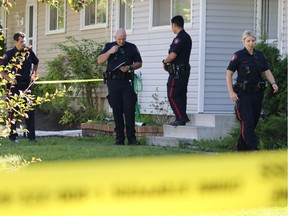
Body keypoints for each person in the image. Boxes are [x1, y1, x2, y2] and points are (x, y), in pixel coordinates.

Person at [226, 30, 279, 151]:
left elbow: (266, 70)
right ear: (243, 41)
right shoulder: (238, 56)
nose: (251, 43)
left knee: (253, 121)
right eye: (248, 40)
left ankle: (241, 148)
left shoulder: (259, 55)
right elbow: (228, 74)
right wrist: (231, 92)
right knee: (247, 120)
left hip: (257, 93)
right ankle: (254, 148)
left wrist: (273, 83)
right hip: (243, 94)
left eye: (253, 40)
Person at [97, 28, 142, 145]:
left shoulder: (131, 47)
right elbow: (100, 60)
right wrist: (110, 52)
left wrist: (129, 68)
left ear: (126, 37)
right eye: (119, 39)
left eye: (123, 39)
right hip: (113, 82)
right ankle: (119, 138)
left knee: (129, 110)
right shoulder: (109, 46)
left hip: (127, 81)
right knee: (117, 110)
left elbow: (139, 62)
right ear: (115, 37)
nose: (121, 41)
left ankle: (132, 138)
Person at [0, 32, 39, 142]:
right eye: (21, 42)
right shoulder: (9, 54)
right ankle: (13, 136)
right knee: (14, 111)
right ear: (15, 42)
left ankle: (32, 138)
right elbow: (1, 70)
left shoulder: (28, 52)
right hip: (14, 87)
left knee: (30, 111)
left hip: (27, 86)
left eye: (24, 41)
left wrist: (33, 74)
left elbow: (36, 62)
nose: (23, 44)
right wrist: (10, 79)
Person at [162, 15, 192, 126]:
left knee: (172, 94)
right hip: (184, 70)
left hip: (177, 72)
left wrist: (164, 61)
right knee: (181, 95)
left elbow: (173, 55)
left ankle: (181, 118)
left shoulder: (180, 38)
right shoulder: (187, 37)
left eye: (172, 26)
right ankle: (182, 118)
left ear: (174, 25)